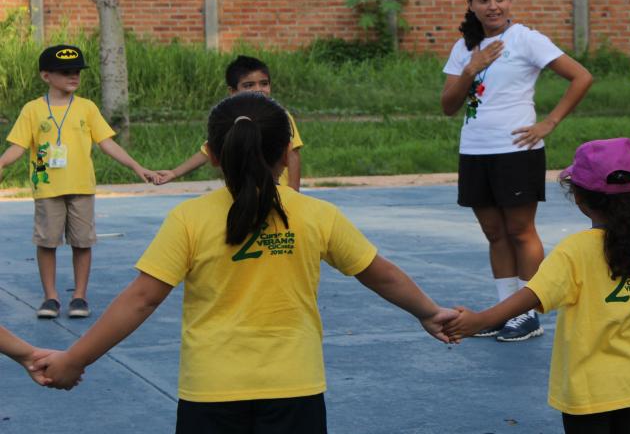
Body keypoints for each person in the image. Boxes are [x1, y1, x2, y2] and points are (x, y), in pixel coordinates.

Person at [32, 93, 456, 434]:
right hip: (294, 389)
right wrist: (430, 312)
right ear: (286, 151)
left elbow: (141, 299)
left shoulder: (190, 218)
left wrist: (75, 358)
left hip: (211, 392)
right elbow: (378, 273)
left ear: (214, 155)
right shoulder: (315, 215)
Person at [444, 138, 630, 434]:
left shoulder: (574, 252)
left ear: (579, 198)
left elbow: (530, 296)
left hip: (588, 393)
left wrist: (479, 321)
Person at [440, 0, 592, 341]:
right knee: (494, 233)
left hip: (517, 151)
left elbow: (581, 77)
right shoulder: (464, 48)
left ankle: (527, 314)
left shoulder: (525, 39)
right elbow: (448, 105)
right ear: (472, 4)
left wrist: (549, 123)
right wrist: (471, 69)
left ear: (510, 1)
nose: (493, 5)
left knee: (521, 232)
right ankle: (502, 312)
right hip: (475, 150)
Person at [0, 44, 156, 320]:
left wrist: (136, 166)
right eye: (65, 72)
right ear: (46, 76)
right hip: (47, 188)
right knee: (47, 242)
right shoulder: (33, 110)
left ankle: (79, 296)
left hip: (82, 187)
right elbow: (18, 146)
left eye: (77, 71)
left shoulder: (87, 108)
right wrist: (2, 162)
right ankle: (51, 297)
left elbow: (107, 143)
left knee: (82, 242)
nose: (73, 76)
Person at [155, 55, 305, 190]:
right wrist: (174, 173)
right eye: (249, 85)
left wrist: (293, 192)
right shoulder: (230, 118)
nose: (259, 89)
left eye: (264, 83)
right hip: (242, 195)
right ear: (233, 91)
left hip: (277, 192)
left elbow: (293, 154)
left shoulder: (280, 117)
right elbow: (209, 150)